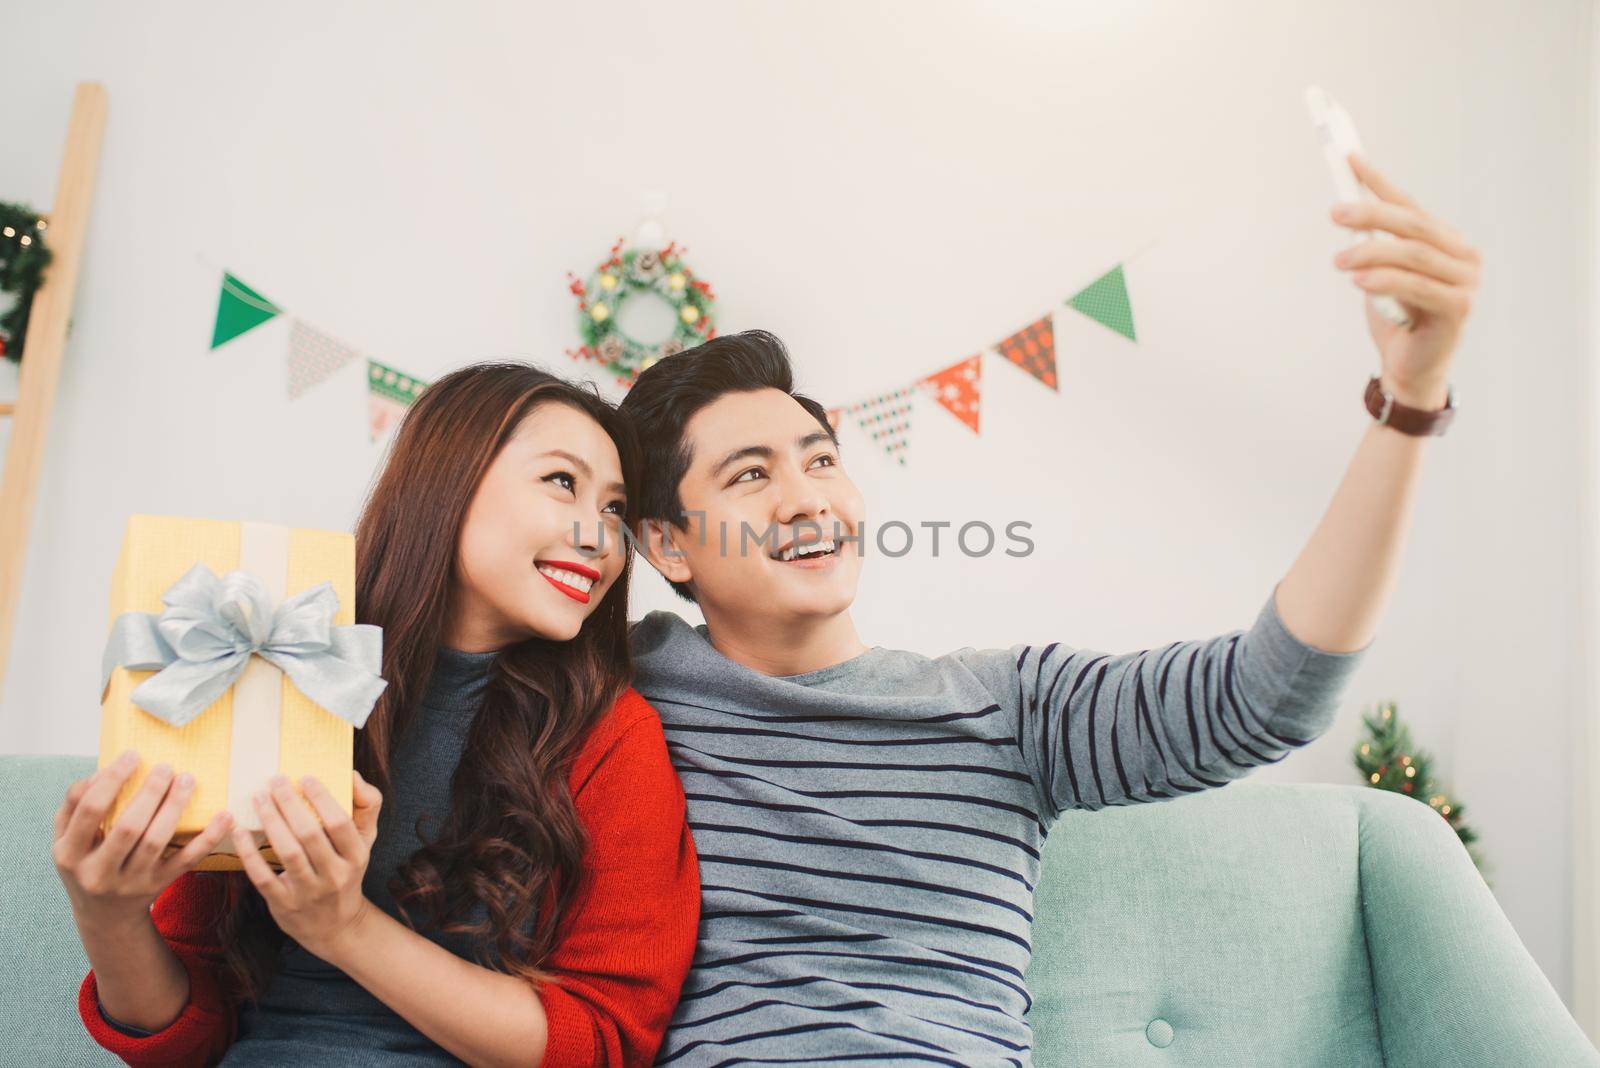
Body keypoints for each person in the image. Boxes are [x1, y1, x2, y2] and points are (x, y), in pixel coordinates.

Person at [617, 155, 1479, 1065]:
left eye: (821, 458)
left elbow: (1265, 696)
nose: (806, 499)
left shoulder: (1008, 705)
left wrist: (1409, 406)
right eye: (750, 475)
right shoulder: (615, 697)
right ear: (667, 543)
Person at [54, 364, 700, 1066]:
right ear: (446, 481)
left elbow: (601, 1042)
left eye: (614, 508)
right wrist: (107, 913)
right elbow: (192, 1034)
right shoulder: (283, 670)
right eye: (563, 482)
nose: (600, 538)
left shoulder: (612, 735)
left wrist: (346, 929)